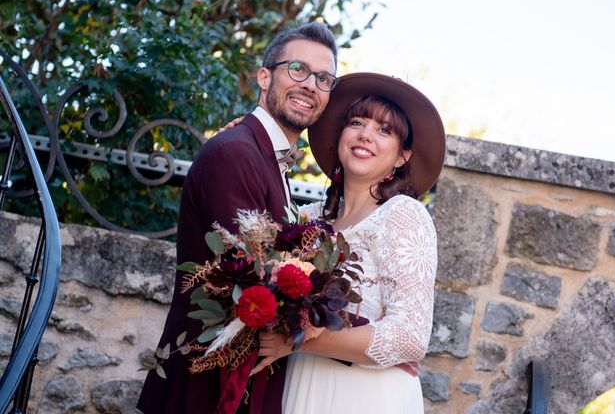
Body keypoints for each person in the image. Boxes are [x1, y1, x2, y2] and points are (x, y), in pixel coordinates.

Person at [137, 21, 338, 414]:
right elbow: (253, 275)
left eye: (324, 78)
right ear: (265, 77)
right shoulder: (236, 152)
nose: (310, 85)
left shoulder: (264, 157)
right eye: (297, 69)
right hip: (203, 389)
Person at [251, 72, 446, 413]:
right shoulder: (308, 219)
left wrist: (298, 342)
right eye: (356, 122)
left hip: (367, 395)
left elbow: (410, 337)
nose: (366, 135)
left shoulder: (402, 214)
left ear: (402, 156)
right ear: (341, 136)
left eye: (385, 130)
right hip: (301, 386)